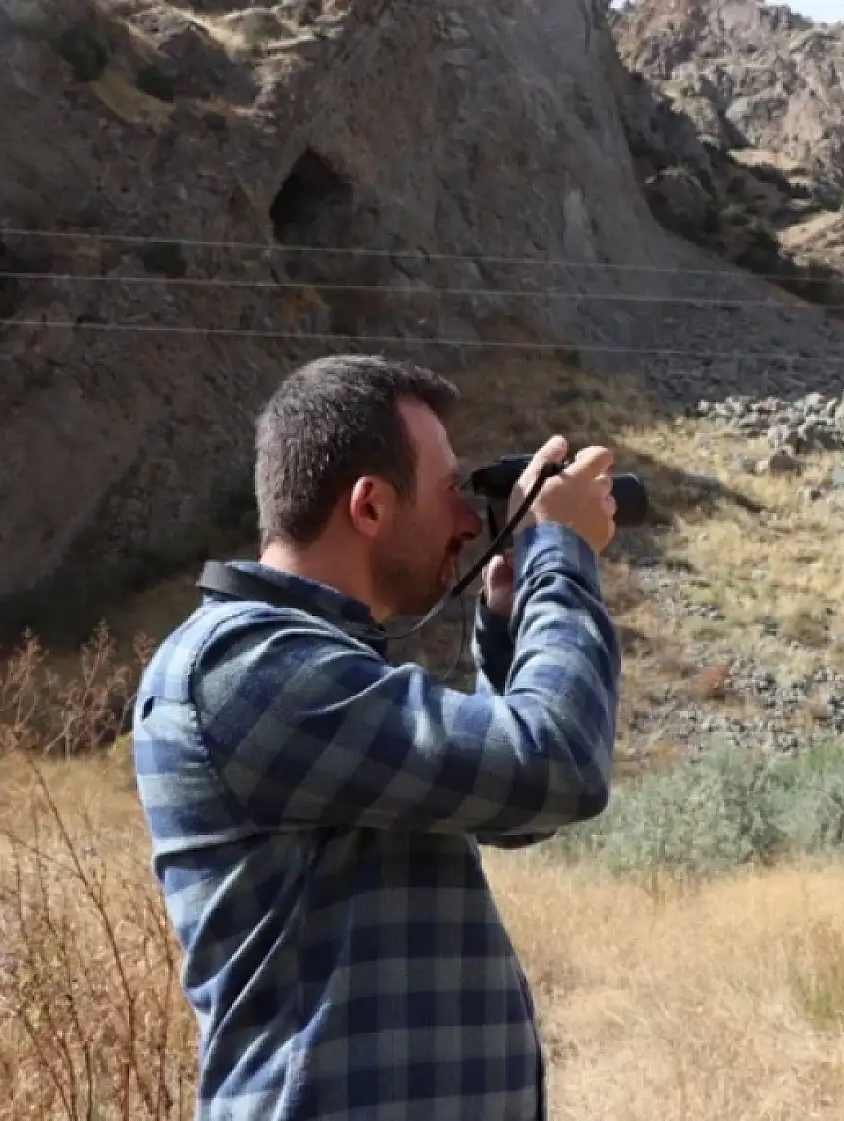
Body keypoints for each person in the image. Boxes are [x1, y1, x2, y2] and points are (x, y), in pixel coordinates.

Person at [130, 353, 622, 1120]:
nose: (468, 521)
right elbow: (558, 766)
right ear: (368, 506)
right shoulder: (247, 665)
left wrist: (503, 619)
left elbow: (515, 807)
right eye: (451, 491)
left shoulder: (315, 667)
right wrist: (561, 552)